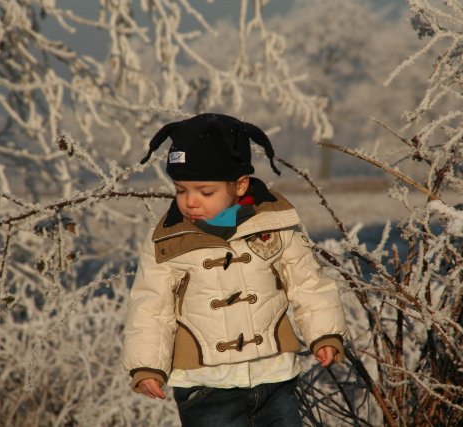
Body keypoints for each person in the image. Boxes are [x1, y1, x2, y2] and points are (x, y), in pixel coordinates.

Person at [122, 113, 349, 427]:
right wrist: (146, 365)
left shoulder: (275, 224)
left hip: (275, 376)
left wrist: (325, 334)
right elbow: (150, 305)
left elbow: (307, 281)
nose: (190, 202)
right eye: (181, 190)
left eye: (205, 191)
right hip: (206, 384)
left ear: (240, 184)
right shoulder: (166, 239)